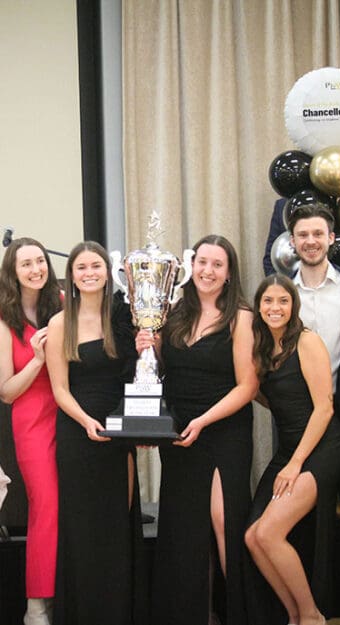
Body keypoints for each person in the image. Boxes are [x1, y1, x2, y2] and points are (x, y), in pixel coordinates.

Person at [266, 202, 340, 625]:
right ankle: (304, 609)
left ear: (331, 238)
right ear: (292, 242)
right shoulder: (280, 292)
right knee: (295, 522)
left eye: (319, 234)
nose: (311, 241)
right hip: (297, 424)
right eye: (303, 235)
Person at [136, 234, 258, 625]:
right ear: (190, 267)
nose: (208, 271)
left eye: (217, 264)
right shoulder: (172, 313)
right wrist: (149, 348)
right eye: (202, 262)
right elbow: (163, 372)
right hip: (180, 435)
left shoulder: (241, 317)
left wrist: (204, 421)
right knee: (185, 530)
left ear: (228, 273)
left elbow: (248, 386)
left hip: (223, 431)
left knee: (224, 522)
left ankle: (239, 614)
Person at [45, 241, 145, 625]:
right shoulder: (59, 323)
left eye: (96, 266)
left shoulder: (124, 317)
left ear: (108, 272)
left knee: (117, 526)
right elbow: (59, 390)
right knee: (83, 532)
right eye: (82, 267)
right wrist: (87, 421)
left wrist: (142, 348)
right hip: (77, 434)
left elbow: (137, 375)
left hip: (118, 435)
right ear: (71, 275)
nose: (89, 273)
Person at [245, 274, 340, 625]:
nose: (275, 308)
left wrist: (296, 464)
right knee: (252, 537)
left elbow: (324, 408)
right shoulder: (261, 348)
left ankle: (312, 616)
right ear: (259, 307)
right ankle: (294, 616)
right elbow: (265, 397)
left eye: (283, 301)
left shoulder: (306, 341)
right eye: (268, 301)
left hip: (320, 449)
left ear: (293, 305)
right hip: (290, 450)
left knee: (269, 533)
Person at [0, 237, 62, 625]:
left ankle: (69, 594)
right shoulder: (4, 319)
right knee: (47, 507)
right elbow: (6, 391)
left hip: (71, 413)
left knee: (73, 508)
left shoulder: (61, 301)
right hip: (33, 419)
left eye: (40, 260)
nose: (36, 268)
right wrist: (38, 359)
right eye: (26, 264)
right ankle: (37, 605)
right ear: (13, 272)